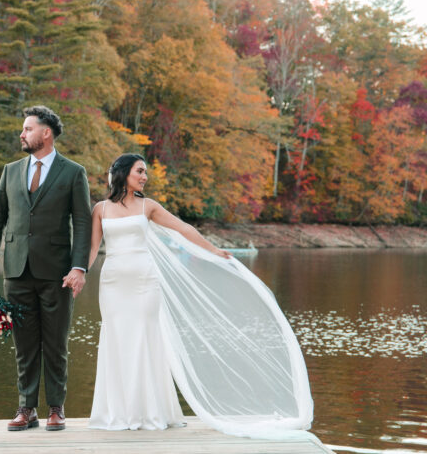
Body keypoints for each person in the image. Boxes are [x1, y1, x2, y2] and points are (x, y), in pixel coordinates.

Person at [87, 153, 314, 438]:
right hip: (113, 282)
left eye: (145, 172)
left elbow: (183, 228)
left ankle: (149, 410)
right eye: (140, 171)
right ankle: (117, 411)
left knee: (145, 338)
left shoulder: (149, 206)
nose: (145, 177)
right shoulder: (100, 209)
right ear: (123, 173)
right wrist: (78, 272)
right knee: (117, 339)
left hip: (144, 281)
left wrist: (213, 250)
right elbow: (93, 249)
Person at [0, 106, 92, 433]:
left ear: (46, 133)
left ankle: (56, 408)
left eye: (28, 129)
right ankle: (26, 409)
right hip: (16, 271)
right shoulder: (10, 171)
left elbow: (82, 223)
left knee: (55, 343)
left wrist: (79, 267)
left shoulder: (73, 173)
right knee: (24, 345)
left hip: (57, 273)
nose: (22, 134)